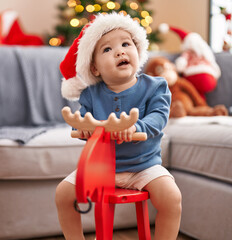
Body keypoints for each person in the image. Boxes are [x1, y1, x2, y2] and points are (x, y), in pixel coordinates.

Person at [56, 13, 182, 240]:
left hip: (144, 166)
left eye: (126, 44)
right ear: (95, 68)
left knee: (171, 197)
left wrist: (137, 127)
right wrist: (85, 131)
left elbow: (158, 117)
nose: (120, 51)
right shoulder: (90, 94)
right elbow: (85, 121)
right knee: (63, 194)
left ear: (138, 50)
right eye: (107, 49)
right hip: (100, 168)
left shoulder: (156, 86)